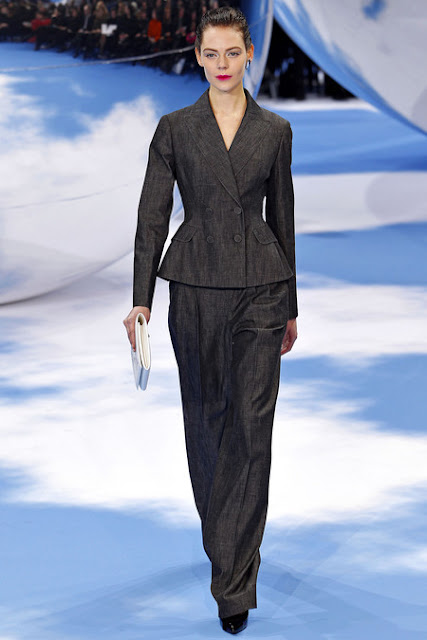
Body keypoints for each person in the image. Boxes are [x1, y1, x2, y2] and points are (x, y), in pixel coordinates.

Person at [123, 6, 298, 635]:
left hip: (261, 289)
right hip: (194, 287)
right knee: (206, 422)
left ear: (249, 53)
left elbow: (283, 218)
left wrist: (291, 305)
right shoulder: (175, 128)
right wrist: (141, 299)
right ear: (198, 57)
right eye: (211, 54)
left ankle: (234, 581)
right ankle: (229, 546)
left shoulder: (274, 129)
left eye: (232, 53)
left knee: (251, 429)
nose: (222, 64)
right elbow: (151, 215)